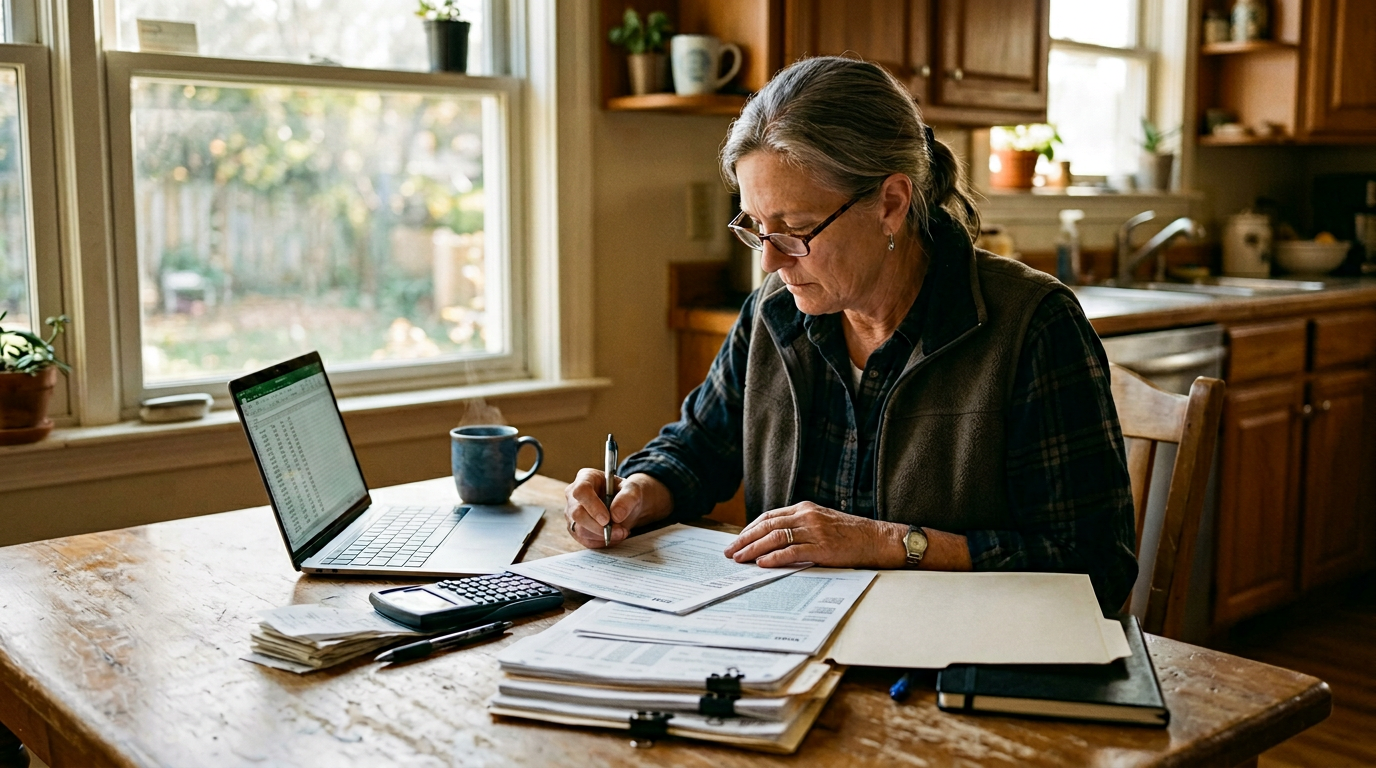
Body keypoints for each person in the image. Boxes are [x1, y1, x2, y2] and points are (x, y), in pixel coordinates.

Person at [563, 56, 1137, 611]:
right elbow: (699, 446)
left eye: (794, 229)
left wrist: (889, 543)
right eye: (756, 228)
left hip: (950, 668)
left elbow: (1095, 566)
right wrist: (636, 491)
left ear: (890, 203)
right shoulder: (775, 310)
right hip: (791, 645)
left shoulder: (1032, 326)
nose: (770, 262)